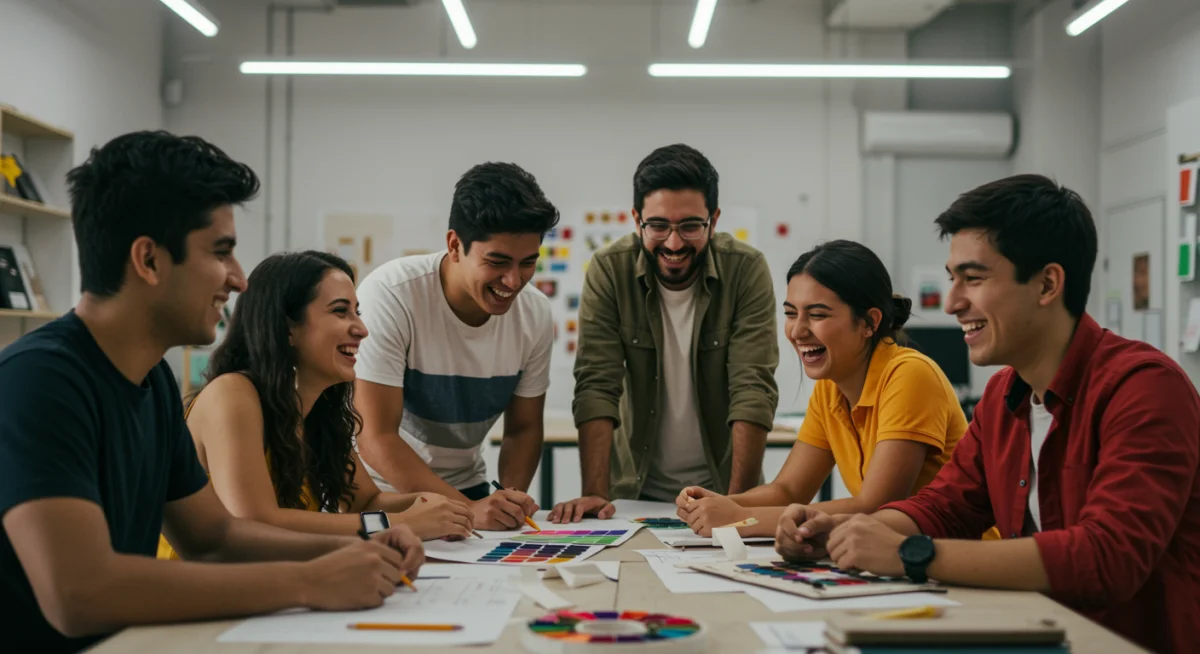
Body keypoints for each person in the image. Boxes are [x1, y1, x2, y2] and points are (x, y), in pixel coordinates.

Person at [0, 131, 424, 654]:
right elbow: (78, 594)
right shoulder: (39, 380)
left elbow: (214, 537)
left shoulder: (150, 379)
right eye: (221, 253)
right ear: (149, 260)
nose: (239, 280)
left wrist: (363, 544)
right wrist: (308, 582)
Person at [775, 174, 1200, 654]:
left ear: (1047, 283)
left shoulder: (1144, 388)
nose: (953, 302)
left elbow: (1108, 558)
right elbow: (944, 507)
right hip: (1034, 630)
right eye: (953, 278)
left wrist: (910, 554)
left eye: (973, 279)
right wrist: (841, 532)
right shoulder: (1002, 396)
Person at [157, 250, 474, 561]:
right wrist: (403, 523)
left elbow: (365, 500)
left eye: (357, 312)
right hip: (194, 594)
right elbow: (254, 521)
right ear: (287, 328)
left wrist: (439, 506)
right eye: (340, 311)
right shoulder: (232, 393)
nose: (361, 329)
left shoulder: (317, 410)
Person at [676, 240, 978, 538]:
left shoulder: (910, 374)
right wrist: (718, 504)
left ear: (869, 323)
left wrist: (740, 519)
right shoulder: (830, 388)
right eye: (791, 313)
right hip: (899, 560)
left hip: (961, 563)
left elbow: (877, 506)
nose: (797, 330)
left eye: (817, 315)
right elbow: (789, 490)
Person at [550, 143, 780, 523]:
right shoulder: (610, 270)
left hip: (723, 487)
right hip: (633, 491)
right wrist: (595, 493)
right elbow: (596, 384)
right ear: (637, 219)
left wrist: (737, 505)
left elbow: (752, 386)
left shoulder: (746, 270)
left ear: (714, 219)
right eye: (658, 226)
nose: (674, 244)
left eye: (690, 226)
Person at [354, 162, 557, 530]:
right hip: (384, 494)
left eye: (528, 263)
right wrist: (467, 511)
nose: (513, 281)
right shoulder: (391, 295)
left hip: (468, 488)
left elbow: (523, 430)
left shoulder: (536, 314)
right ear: (454, 245)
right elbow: (375, 436)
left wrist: (507, 500)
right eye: (497, 262)